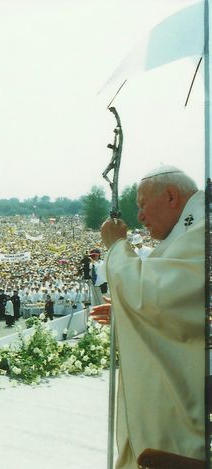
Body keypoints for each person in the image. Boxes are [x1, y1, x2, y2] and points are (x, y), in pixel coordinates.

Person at [91, 165, 204, 468]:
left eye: (142, 204)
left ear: (170, 196)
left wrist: (116, 246)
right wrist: (126, 312)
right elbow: (179, 306)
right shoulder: (190, 231)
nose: (139, 216)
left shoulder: (202, 230)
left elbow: (155, 293)